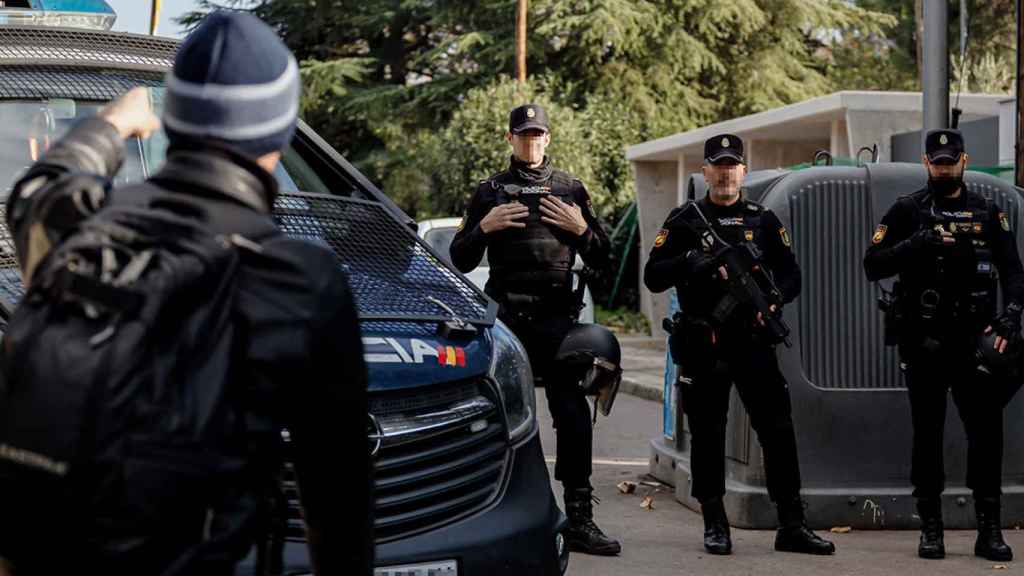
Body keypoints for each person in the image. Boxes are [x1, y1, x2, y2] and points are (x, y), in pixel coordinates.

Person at [0, 12, 370, 575]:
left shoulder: (79, 229)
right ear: (278, 128)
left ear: (176, 119)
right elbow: (337, 496)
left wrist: (112, 123)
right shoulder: (301, 278)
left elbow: (38, 188)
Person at [644, 134, 835, 556]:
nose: (726, 172)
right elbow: (653, 274)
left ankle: (791, 524)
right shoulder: (685, 220)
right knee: (708, 434)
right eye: (718, 164)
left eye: (733, 165)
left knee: (778, 431)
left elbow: (792, 276)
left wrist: (772, 300)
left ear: (743, 172)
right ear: (706, 171)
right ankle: (715, 523)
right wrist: (689, 263)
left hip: (752, 340)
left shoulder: (763, 220)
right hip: (705, 343)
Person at [449, 104, 619, 556]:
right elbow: (460, 258)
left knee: (573, 416)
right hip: (507, 324)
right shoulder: (489, 191)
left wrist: (582, 230)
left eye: (538, 134)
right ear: (510, 139)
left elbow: (606, 258)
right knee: (501, 420)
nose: (531, 141)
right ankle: (499, 517)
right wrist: (483, 228)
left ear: (549, 138)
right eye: (523, 135)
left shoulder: (569, 188)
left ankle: (579, 518)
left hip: (558, 322)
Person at [864, 129, 1023, 561]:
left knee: (986, 436)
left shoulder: (989, 212)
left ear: (964, 161)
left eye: (950, 161)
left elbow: (1014, 272)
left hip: (975, 342)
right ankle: (930, 527)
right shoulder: (907, 211)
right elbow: (872, 264)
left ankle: (989, 529)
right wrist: (916, 244)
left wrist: (1012, 314)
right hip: (924, 342)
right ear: (926, 163)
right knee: (927, 435)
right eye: (937, 162)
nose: (943, 168)